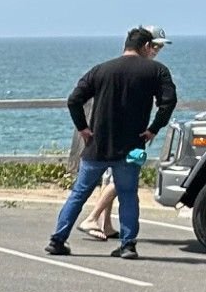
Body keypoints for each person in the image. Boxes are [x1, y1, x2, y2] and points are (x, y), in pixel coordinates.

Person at [47, 25, 176, 260]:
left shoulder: (101, 70)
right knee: (128, 194)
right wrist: (153, 129)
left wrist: (83, 128)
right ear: (146, 46)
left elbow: (74, 100)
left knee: (79, 193)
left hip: (97, 144)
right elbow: (168, 102)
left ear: (126, 44)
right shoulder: (157, 71)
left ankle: (57, 239)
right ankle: (128, 245)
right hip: (132, 144)